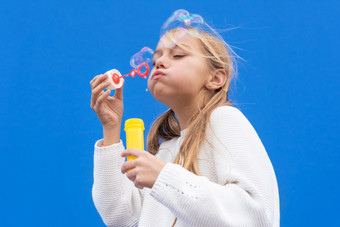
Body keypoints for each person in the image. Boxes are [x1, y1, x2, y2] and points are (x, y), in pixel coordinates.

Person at [90, 20, 280, 227]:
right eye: (154, 61)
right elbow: (122, 217)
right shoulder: (166, 151)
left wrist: (164, 177)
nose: (160, 63)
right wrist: (111, 128)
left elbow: (256, 217)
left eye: (178, 55)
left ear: (215, 78)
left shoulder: (225, 118)